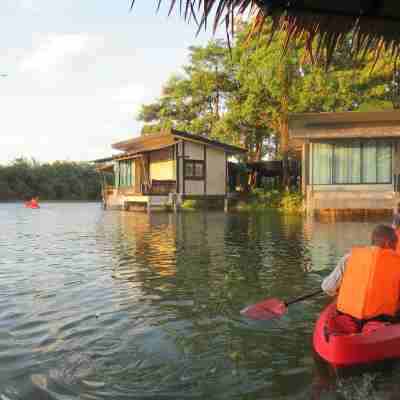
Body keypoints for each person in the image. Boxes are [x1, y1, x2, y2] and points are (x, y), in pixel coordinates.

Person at [322, 225, 400, 328]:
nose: (396, 248)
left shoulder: (350, 257)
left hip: (348, 315)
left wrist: (341, 289)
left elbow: (328, 287)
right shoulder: (397, 263)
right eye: (395, 243)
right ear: (388, 243)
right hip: (382, 320)